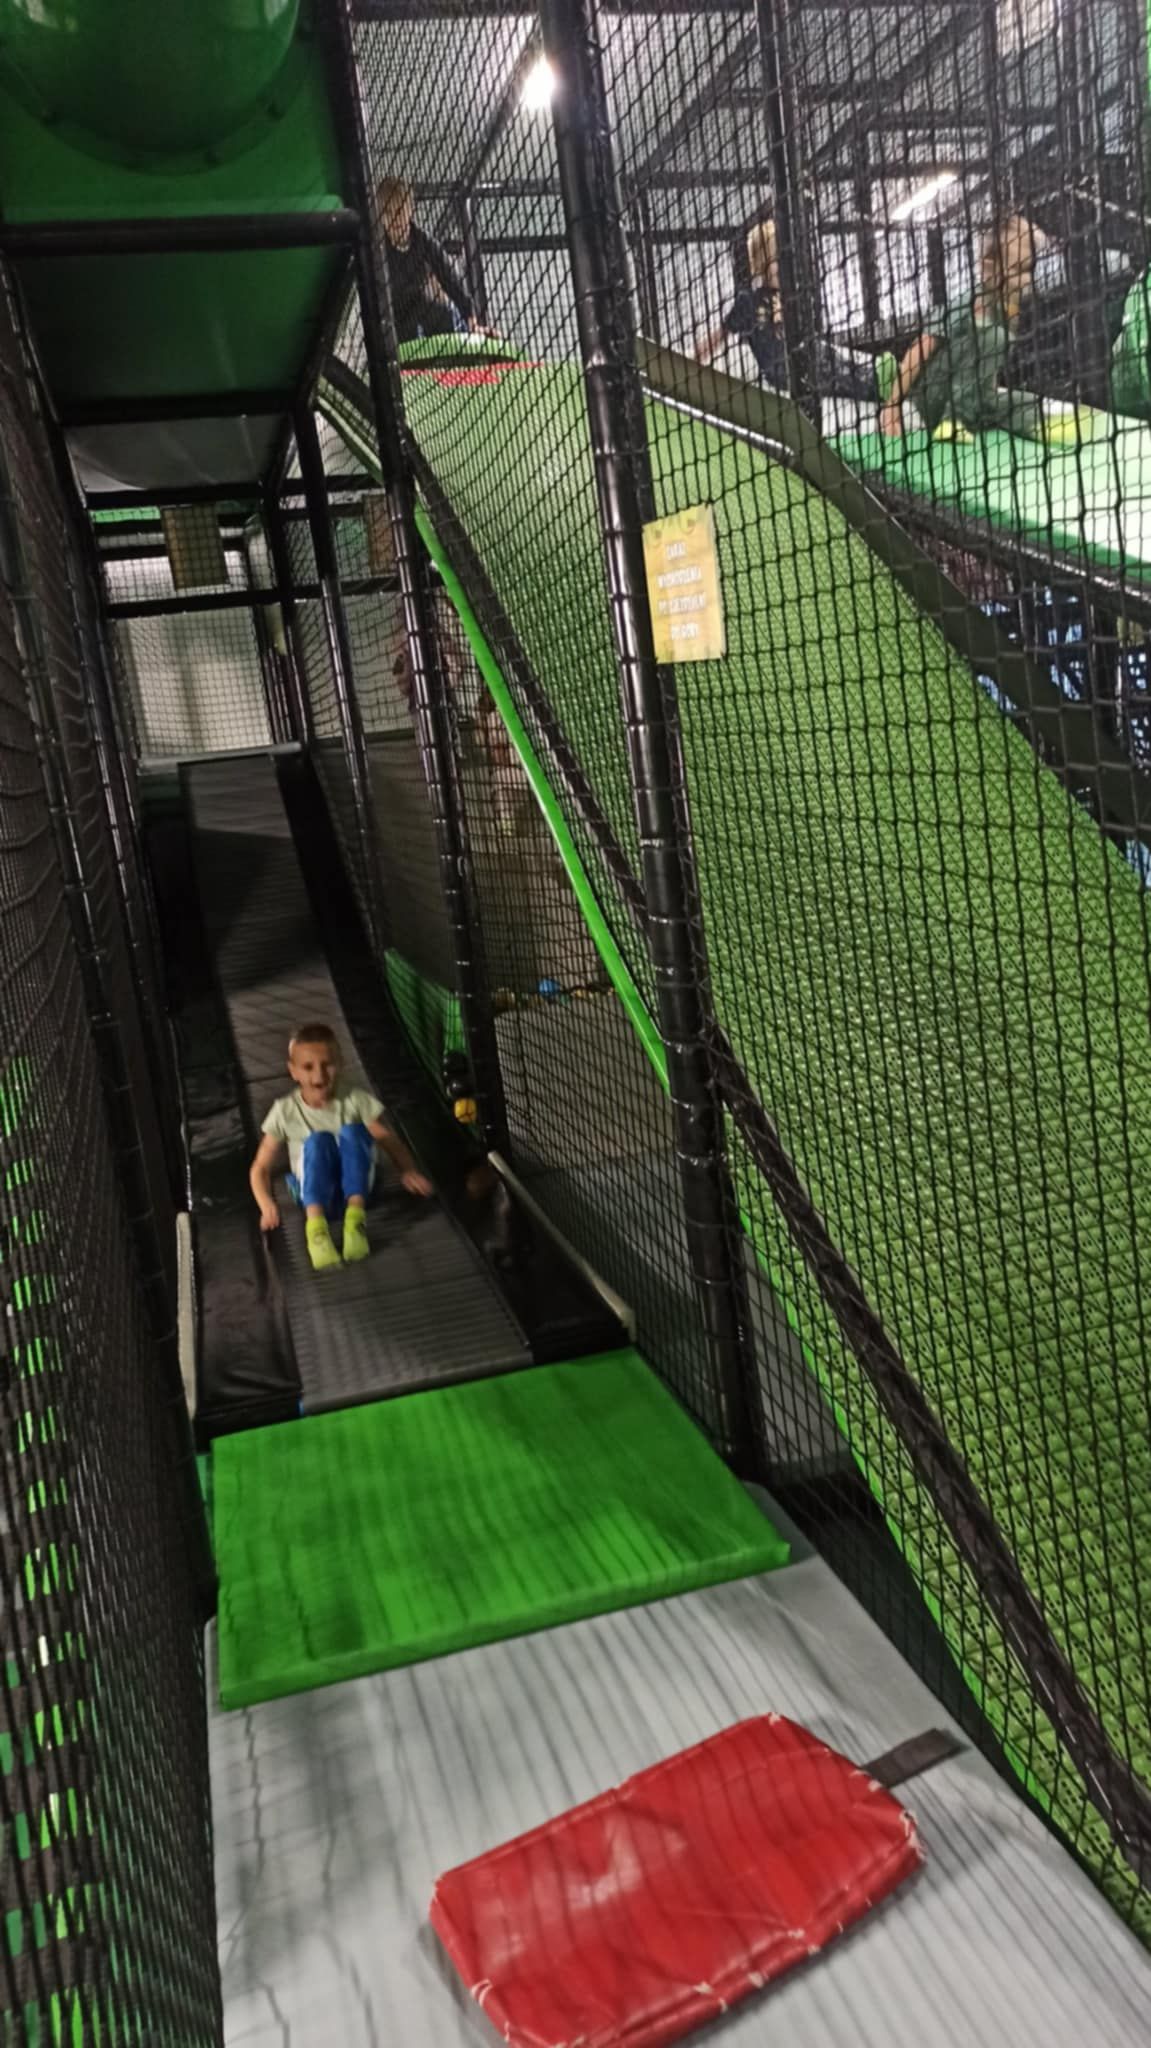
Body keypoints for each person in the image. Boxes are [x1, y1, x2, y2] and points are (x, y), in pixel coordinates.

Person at [250, 1023, 432, 1273]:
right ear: (293, 1071)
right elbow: (260, 1167)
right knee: (318, 1141)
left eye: (327, 1065)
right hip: (315, 1195)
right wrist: (266, 1204)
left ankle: (355, 1222)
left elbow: (386, 1138)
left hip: (360, 1192)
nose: (319, 1075)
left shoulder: (354, 1099)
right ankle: (316, 1231)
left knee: (354, 1132)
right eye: (308, 1067)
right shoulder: (285, 1111)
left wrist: (408, 1170)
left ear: (341, 1063)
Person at [879, 213, 1047, 438]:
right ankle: (952, 422)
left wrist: (990, 397)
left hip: (973, 398)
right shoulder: (971, 301)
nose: (1025, 279)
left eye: (1028, 270)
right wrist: (893, 404)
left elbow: (987, 365)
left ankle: (977, 418)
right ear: (989, 266)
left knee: (1030, 404)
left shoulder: (1007, 310)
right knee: (996, 337)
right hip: (935, 396)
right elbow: (922, 346)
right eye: (1017, 269)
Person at [695, 219, 876, 402]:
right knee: (827, 366)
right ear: (761, 264)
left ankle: (872, 378)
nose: (783, 268)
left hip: (803, 358)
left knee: (828, 357)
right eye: (776, 261)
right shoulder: (750, 301)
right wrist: (694, 358)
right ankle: (872, 384)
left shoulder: (790, 296)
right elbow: (721, 334)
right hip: (782, 370)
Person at [376, 176, 475, 343]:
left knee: (441, 313)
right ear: (380, 216)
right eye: (388, 212)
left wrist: (469, 314)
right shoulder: (379, 250)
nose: (395, 218)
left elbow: (449, 276)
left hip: (423, 308)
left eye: (400, 210)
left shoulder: (423, 241)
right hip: (396, 316)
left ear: (410, 209)